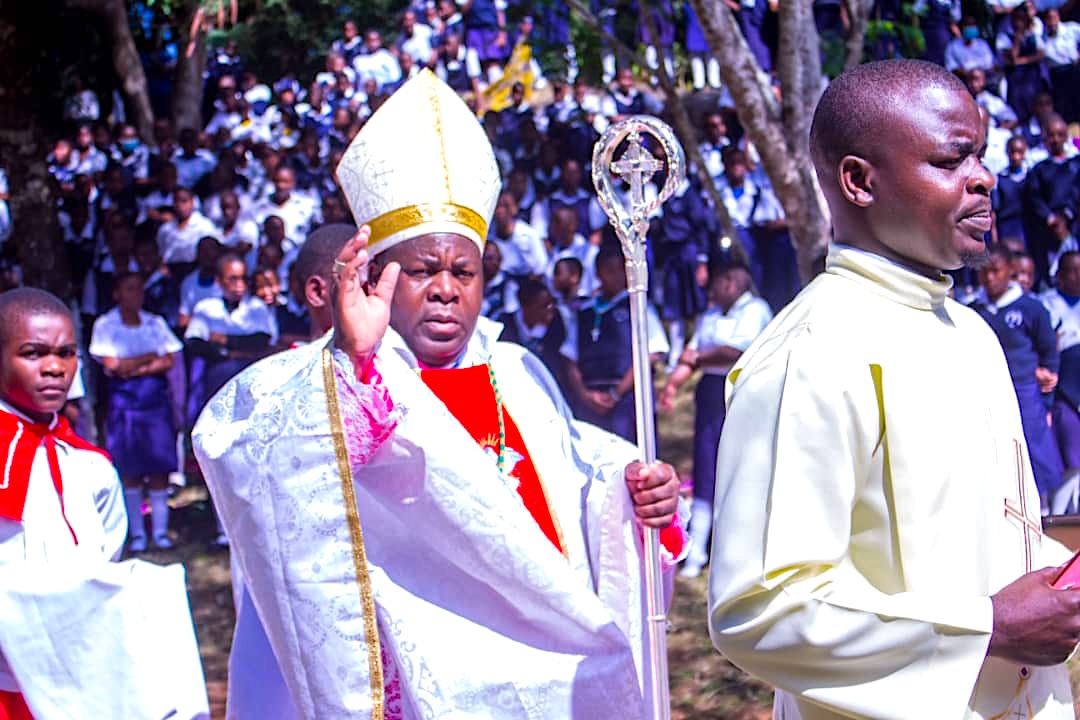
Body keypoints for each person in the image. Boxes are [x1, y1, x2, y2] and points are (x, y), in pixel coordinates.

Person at [193, 70, 685, 719]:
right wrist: (353, 362)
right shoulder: (329, 375)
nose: (446, 289)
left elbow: (580, 483)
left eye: (464, 272)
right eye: (422, 271)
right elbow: (250, 457)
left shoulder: (519, 373)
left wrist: (636, 491)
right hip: (416, 675)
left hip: (538, 669)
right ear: (375, 276)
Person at [708, 59, 1077, 719]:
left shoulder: (971, 332)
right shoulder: (809, 357)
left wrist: (1061, 575)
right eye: (951, 159)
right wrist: (987, 628)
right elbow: (758, 608)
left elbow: (975, 530)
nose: (983, 177)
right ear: (859, 181)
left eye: (982, 156)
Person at [0, 288, 208, 719]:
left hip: (83, 668)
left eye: (66, 353)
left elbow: (106, 549)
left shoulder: (90, 465)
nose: (55, 367)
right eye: (33, 353)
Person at [658, 261, 772, 578]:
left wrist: (701, 357)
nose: (710, 291)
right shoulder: (711, 314)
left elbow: (736, 350)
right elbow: (690, 355)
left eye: (715, 283)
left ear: (731, 282)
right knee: (706, 468)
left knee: (740, 468)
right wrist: (672, 385)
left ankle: (735, 550)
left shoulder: (756, 310)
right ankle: (697, 549)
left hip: (741, 394)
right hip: (710, 392)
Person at [89, 272, 183, 552]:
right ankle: (138, 533)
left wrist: (133, 367)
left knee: (158, 468)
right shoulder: (106, 324)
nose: (136, 294)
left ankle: (161, 531)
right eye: (130, 288)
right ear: (117, 293)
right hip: (124, 403)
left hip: (154, 401)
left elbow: (168, 359)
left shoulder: (155, 323)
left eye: (139, 289)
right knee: (129, 469)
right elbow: (112, 364)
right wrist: (147, 357)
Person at [970, 245, 1063, 512]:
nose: (989, 278)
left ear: (1011, 271)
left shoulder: (1031, 308)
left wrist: (1048, 395)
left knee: (1032, 449)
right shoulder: (974, 310)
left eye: (995, 271)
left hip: (1024, 389)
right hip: (986, 390)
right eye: (983, 272)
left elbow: (1048, 352)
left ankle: (1044, 512)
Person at [564, 240, 669, 445]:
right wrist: (585, 395)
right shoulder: (584, 311)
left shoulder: (638, 306)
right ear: (597, 273)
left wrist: (616, 393)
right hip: (590, 399)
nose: (614, 276)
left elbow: (651, 354)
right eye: (607, 270)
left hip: (626, 399)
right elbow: (569, 357)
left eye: (618, 270)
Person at [1042, 251, 1080, 513]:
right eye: (1072, 271)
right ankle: (1060, 518)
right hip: (1063, 388)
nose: (1078, 276)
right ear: (1059, 275)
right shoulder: (1047, 304)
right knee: (1071, 457)